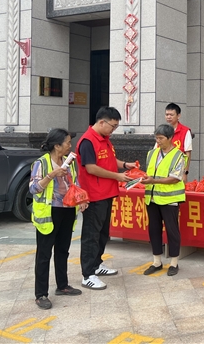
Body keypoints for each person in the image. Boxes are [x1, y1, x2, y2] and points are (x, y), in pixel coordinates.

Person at [76, 107, 136, 290]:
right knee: (91, 235)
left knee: (103, 233)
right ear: (102, 122)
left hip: (107, 193)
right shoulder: (88, 141)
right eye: (113, 126)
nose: (113, 130)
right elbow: (91, 168)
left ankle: (96, 264)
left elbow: (109, 160)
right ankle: (88, 274)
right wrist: (117, 176)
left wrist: (125, 165)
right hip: (94, 195)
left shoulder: (105, 139)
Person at [30, 128, 88, 309]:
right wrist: (52, 175)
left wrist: (81, 200)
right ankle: (41, 294)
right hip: (49, 212)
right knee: (44, 254)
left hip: (67, 210)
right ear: (57, 146)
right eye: (68, 143)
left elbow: (75, 183)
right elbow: (33, 188)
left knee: (63, 250)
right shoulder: (41, 163)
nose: (70, 145)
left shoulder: (69, 161)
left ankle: (62, 285)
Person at [141, 124, 186, 276]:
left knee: (172, 230)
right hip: (152, 198)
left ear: (170, 138)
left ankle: (174, 262)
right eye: (156, 138)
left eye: (161, 138)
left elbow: (175, 178)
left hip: (169, 199)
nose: (158, 141)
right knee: (154, 229)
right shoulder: (152, 153)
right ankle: (157, 262)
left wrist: (153, 181)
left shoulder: (178, 156)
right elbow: (149, 173)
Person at [164, 103, 192, 182]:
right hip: (163, 169)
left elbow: (188, 153)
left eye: (171, 115)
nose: (168, 117)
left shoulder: (185, 131)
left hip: (178, 171)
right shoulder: (162, 131)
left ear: (178, 116)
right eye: (167, 114)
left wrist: (185, 172)